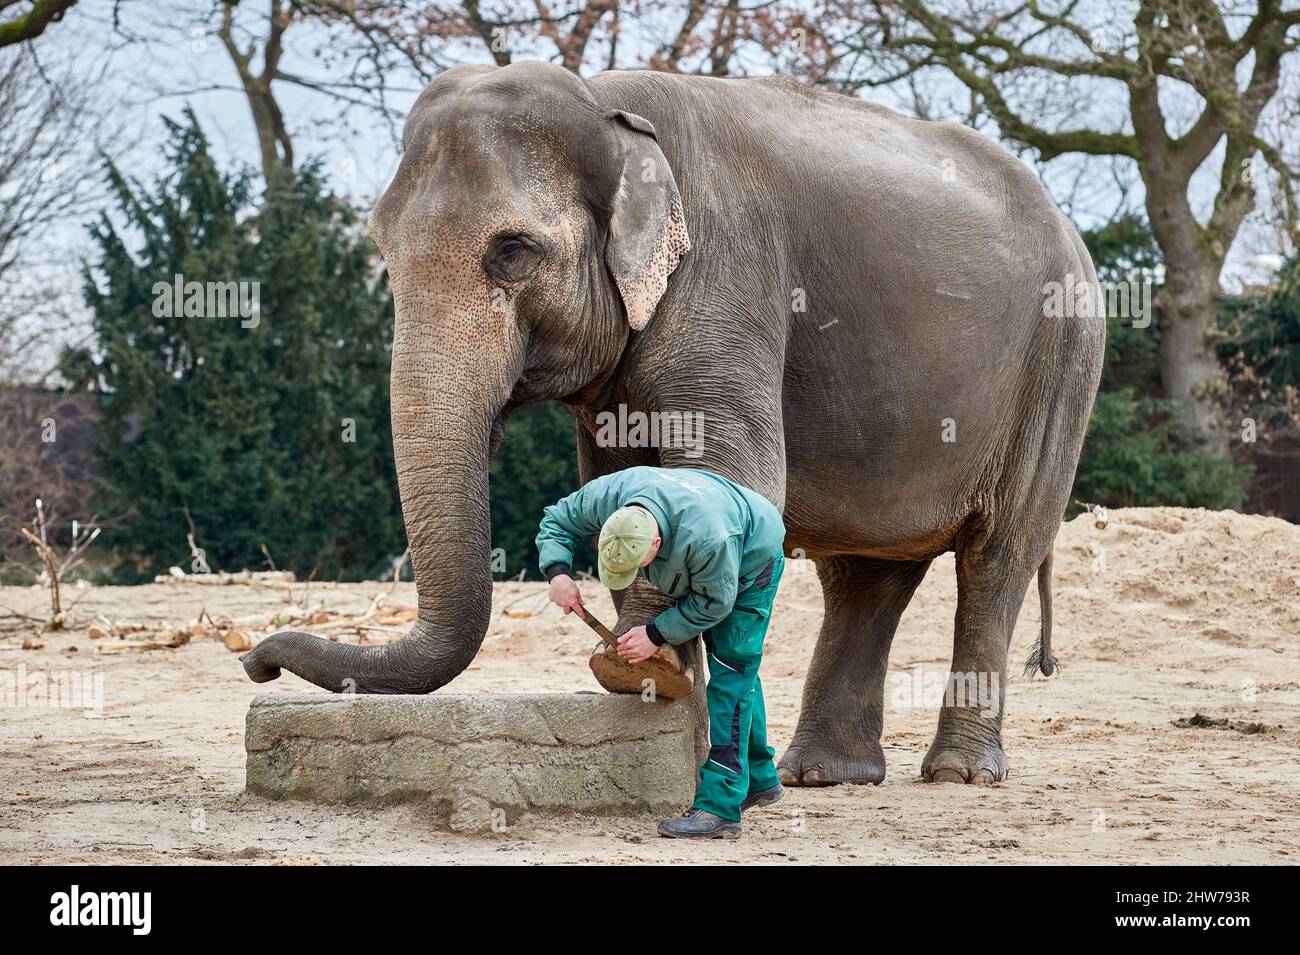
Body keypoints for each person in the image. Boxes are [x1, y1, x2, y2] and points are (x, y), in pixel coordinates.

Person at [535, 465, 787, 839]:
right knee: (736, 674)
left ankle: (720, 810)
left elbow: (715, 604)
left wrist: (655, 633)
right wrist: (556, 572)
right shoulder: (611, 494)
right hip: (708, 528)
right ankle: (760, 777)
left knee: (731, 672)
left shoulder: (709, 540)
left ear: (655, 545)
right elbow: (557, 519)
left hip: (752, 561)